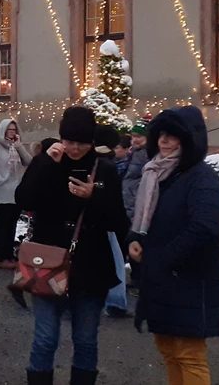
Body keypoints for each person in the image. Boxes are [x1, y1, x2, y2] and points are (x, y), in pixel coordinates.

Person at [15, 107, 129, 385]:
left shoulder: (104, 168)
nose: (74, 148)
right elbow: (24, 200)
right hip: (48, 263)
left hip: (90, 266)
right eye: (69, 141)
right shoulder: (50, 162)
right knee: (45, 338)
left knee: (86, 339)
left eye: (81, 142)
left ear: (91, 141)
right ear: (61, 138)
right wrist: (42, 163)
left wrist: (94, 197)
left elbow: (118, 221)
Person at [127, 107, 219, 385]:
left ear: (188, 139)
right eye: (160, 135)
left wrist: (161, 258)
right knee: (169, 351)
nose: (163, 141)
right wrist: (135, 240)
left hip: (190, 280)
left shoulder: (200, 178)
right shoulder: (156, 174)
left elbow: (204, 227)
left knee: (189, 355)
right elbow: (146, 220)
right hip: (162, 280)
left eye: (172, 136)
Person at [92, 125, 130, 319]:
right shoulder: (109, 165)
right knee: (116, 261)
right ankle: (116, 302)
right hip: (107, 223)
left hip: (85, 222)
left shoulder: (86, 160)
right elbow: (115, 200)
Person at [0, 118, 31, 269]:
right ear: (3, 130)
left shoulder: (15, 146)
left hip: (16, 192)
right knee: (2, 226)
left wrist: (20, 146)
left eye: (14, 130)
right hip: (2, 191)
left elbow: (28, 162)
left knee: (12, 226)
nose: (12, 133)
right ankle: (1, 256)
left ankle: (10, 255)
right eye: (9, 130)